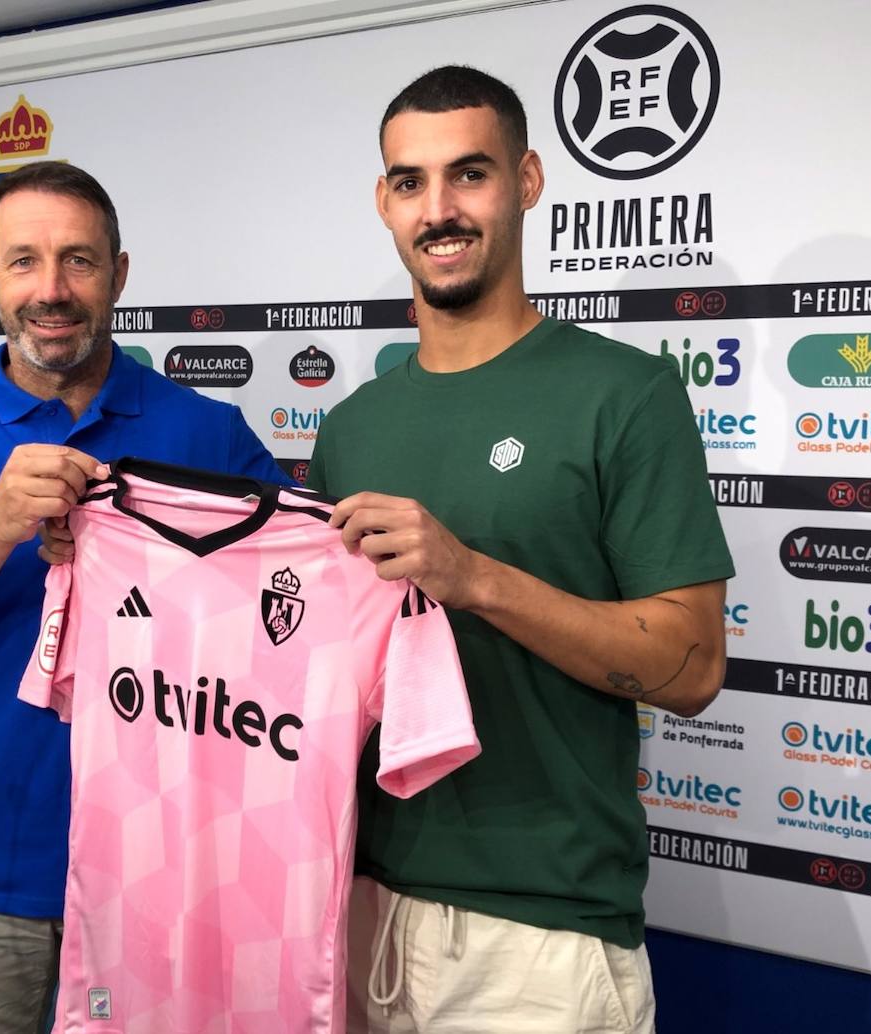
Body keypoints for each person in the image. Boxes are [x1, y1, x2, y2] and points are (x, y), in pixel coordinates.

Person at [305, 66, 735, 1033]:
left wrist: (475, 578)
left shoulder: (626, 395)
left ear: (529, 180)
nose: (440, 209)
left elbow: (695, 665)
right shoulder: (352, 429)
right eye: (410, 183)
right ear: (384, 202)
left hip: (541, 936)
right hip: (357, 906)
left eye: (470, 174)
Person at [0, 160, 286, 1034]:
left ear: (120, 274)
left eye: (79, 261)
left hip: (170, 882)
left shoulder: (208, 433)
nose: (51, 290)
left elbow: (283, 634)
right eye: (23, 262)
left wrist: (164, 567)